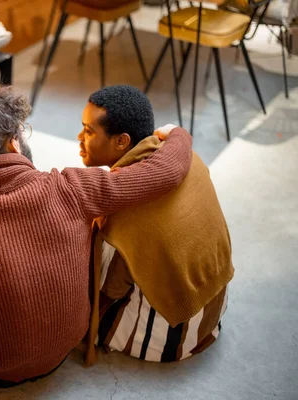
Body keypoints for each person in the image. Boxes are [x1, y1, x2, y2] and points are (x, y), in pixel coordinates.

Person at [0, 85, 193, 387]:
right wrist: (178, 133)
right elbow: (167, 172)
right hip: (59, 354)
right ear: (14, 142)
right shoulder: (72, 187)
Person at [76, 85, 234, 364]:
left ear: (122, 142)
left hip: (172, 336)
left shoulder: (120, 210)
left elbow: (109, 288)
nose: (79, 138)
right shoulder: (187, 157)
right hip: (212, 304)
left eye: (88, 132)